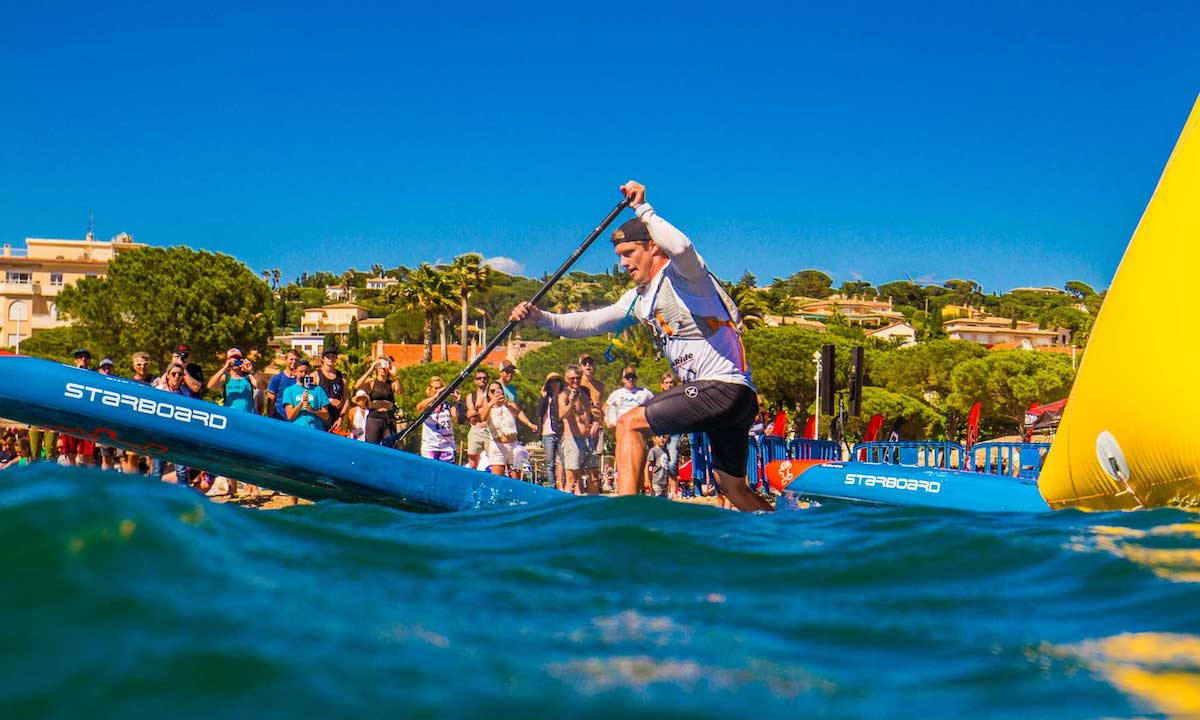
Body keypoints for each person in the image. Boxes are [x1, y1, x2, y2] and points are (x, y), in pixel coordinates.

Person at [510, 180, 771, 512]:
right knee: (731, 485)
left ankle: (625, 520)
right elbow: (590, 322)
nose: (623, 263)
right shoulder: (638, 299)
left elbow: (683, 247)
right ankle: (784, 534)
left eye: (629, 254)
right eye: (619, 257)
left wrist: (643, 209)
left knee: (629, 422)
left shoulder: (687, 278)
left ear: (653, 247)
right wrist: (540, 317)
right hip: (735, 399)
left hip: (722, 387)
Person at [205, 348, 260, 496]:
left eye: (238, 359)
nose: (236, 362)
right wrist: (224, 368)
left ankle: (252, 486)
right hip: (231, 423)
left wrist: (250, 370)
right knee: (231, 456)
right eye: (233, 359)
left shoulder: (248, 378)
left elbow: (261, 386)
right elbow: (210, 385)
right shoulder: (226, 378)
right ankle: (232, 487)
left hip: (248, 421)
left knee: (249, 454)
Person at [477, 380, 537, 478]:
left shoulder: (509, 404)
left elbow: (518, 413)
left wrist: (530, 424)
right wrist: (491, 404)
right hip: (497, 446)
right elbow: (482, 418)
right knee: (497, 479)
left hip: (514, 446)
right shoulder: (487, 408)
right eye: (492, 391)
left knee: (516, 479)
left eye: (498, 390)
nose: (496, 393)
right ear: (488, 394)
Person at [557, 364, 596, 494]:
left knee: (594, 476)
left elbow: (590, 413)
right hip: (572, 439)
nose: (575, 381)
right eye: (572, 378)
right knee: (571, 478)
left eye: (578, 378)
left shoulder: (585, 393)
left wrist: (596, 422)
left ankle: (593, 506)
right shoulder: (564, 395)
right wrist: (572, 402)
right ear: (566, 379)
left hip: (587, 439)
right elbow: (562, 415)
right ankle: (566, 507)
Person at [355, 356, 403, 444]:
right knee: (372, 444)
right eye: (380, 365)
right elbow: (357, 385)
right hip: (375, 416)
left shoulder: (391, 384)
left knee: (390, 444)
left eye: (385, 365)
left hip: (388, 416)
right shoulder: (372, 382)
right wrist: (371, 369)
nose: (383, 368)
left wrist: (395, 376)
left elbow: (400, 391)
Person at [61, 348, 96, 467]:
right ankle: (70, 481)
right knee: (70, 453)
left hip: (88, 419)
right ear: (76, 360)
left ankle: (89, 483)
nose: (83, 359)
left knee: (88, 455)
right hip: (70, 418)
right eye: (80, 357)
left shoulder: (94, 376)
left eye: (86, 357)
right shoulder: (69, 374)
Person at [415, 376, 462, 462]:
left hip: (447, 446)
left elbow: (455, 415)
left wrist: (457, 401)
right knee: (430, 472)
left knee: (446, 473)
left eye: (440, 388)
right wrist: (435, 397)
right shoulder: (428, 405)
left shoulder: (447, 405)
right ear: (430, 389)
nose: (438, 390)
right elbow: (419, 408)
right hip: (430, 446)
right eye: (436, 388)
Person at [577, 354, 606, 492]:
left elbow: (603, 404)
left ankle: (593, 486)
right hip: (583, 424)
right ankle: (579, 486)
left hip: (598, 425)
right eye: (585, 363)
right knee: (581, 456)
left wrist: (602, 420)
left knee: (597, 456)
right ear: (581, 366)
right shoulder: (578, 384)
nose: (588, 366)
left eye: (590, 363)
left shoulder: (600, 385)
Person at [534, 372, 565, 487]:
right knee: (550, 463)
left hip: (561, 432)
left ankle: (564, 484)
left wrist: (557, 395)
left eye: (557, 381)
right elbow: (539, 413)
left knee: (564, 461)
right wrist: (543, 397)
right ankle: (552, 486)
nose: (555, 384)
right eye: (552, 381)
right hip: (548, 432)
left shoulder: (563, 396)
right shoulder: (545, 397)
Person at [282, 360, 332, 431]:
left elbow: (326, 415)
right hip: (297, 430)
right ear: (295, 372)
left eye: (306, 371)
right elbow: (290, 416)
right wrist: (301, 402)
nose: (304, 374)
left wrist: (312, 410)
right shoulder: (289, 391)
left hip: (315, 430)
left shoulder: (318, 389)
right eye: (301, 371)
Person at [659, 372, 682, 498]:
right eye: (666, 382)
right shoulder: (659, 398)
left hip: (674, 432)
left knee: (673, 462)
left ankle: (674, 490)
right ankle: (665, 490)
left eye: (671, 382)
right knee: (661, 462)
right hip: (660, 431)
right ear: (662, 385)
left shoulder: (678, 398)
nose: (669, 385)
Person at [463, 369, 492, 468]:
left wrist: (476, 413)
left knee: (493, 461)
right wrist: (477, 413)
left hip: (491, 430)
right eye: (479, 378)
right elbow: (472, 417)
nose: (482, 380)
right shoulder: (471, 396)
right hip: (476, 430)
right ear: (475, 381)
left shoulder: (492, 395)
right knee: (473, 461)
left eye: (484, 378)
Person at [96, 357, 121, 470]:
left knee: (123, 458)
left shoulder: (120, 384)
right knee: (106, 458)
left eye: (109, 368)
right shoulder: (95, 384)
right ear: (99, 370)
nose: (107, 370)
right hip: (103, 427)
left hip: (119, 426)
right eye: (104, 368)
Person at [315, 347, 348, 432]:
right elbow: (310, 397)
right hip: (320, 418)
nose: (331, 358)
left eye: (333, 356)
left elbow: (347, 400)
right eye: (328, 356)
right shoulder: (315, 375)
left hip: (336, 420)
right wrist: (328, 401)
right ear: (323, 358)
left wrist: (341, 418)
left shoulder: (342, 377)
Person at [265, 349, 301, 420]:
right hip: (280, 418)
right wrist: (270, 418)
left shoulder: (300, 380)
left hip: (297, 419)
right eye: (291, 359)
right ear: (286, 360)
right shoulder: (277, 378)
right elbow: (271, 401)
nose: (294, 362)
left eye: (296, 360)